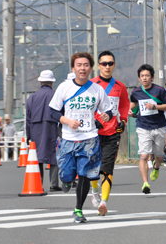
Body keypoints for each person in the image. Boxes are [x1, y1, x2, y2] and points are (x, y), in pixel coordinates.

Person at [49, 52, 113, 223]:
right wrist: (67, 121)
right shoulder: (64, 87)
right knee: (67, 176)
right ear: (73, 68)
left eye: (86, 65)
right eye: (79, 65)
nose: (82, 68)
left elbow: (107, 109)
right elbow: (52, 112)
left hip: (89, 139)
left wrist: (106, 115)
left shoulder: (97, 89)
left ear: (91, 68)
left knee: (84, 174)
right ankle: (66, 180)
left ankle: (78, 209)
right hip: (68, 139)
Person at [90, 51, 130, 216]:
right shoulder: (91, 84)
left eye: (110, 63)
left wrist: (123, 121)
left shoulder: (120, 86)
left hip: (112, 133)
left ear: (114, 65)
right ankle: (94, 191)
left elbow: (124, 105)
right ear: (98, 66)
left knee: (107, 169)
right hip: (93, 133)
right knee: (93, 168)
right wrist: (93, 120)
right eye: (104, 63)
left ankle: (104, 202)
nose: (107, 66)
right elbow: (86, 105)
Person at [129, 64, 166, 194]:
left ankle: (157, 167)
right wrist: (130, 111)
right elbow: (133, 104)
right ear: (139, 78)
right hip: (143, 126)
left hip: (158, 126)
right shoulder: (135, 92)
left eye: (147, 75)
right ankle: (145, 183)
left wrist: (155, 107)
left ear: (152, 77)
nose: (145, 78)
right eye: (142, 76)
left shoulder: (159, 90)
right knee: (143, 155)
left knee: (158, 156)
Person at [26, 70, 61, 192]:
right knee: (53, 154)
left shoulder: (32, 97)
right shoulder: (56, 95)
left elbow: (28, 118)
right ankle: (54, 184)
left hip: (35, 128)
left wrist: (28, 135)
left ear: (40, 82)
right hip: (52, 126)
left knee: (37, 156)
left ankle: (38, 183)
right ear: (52, 82)